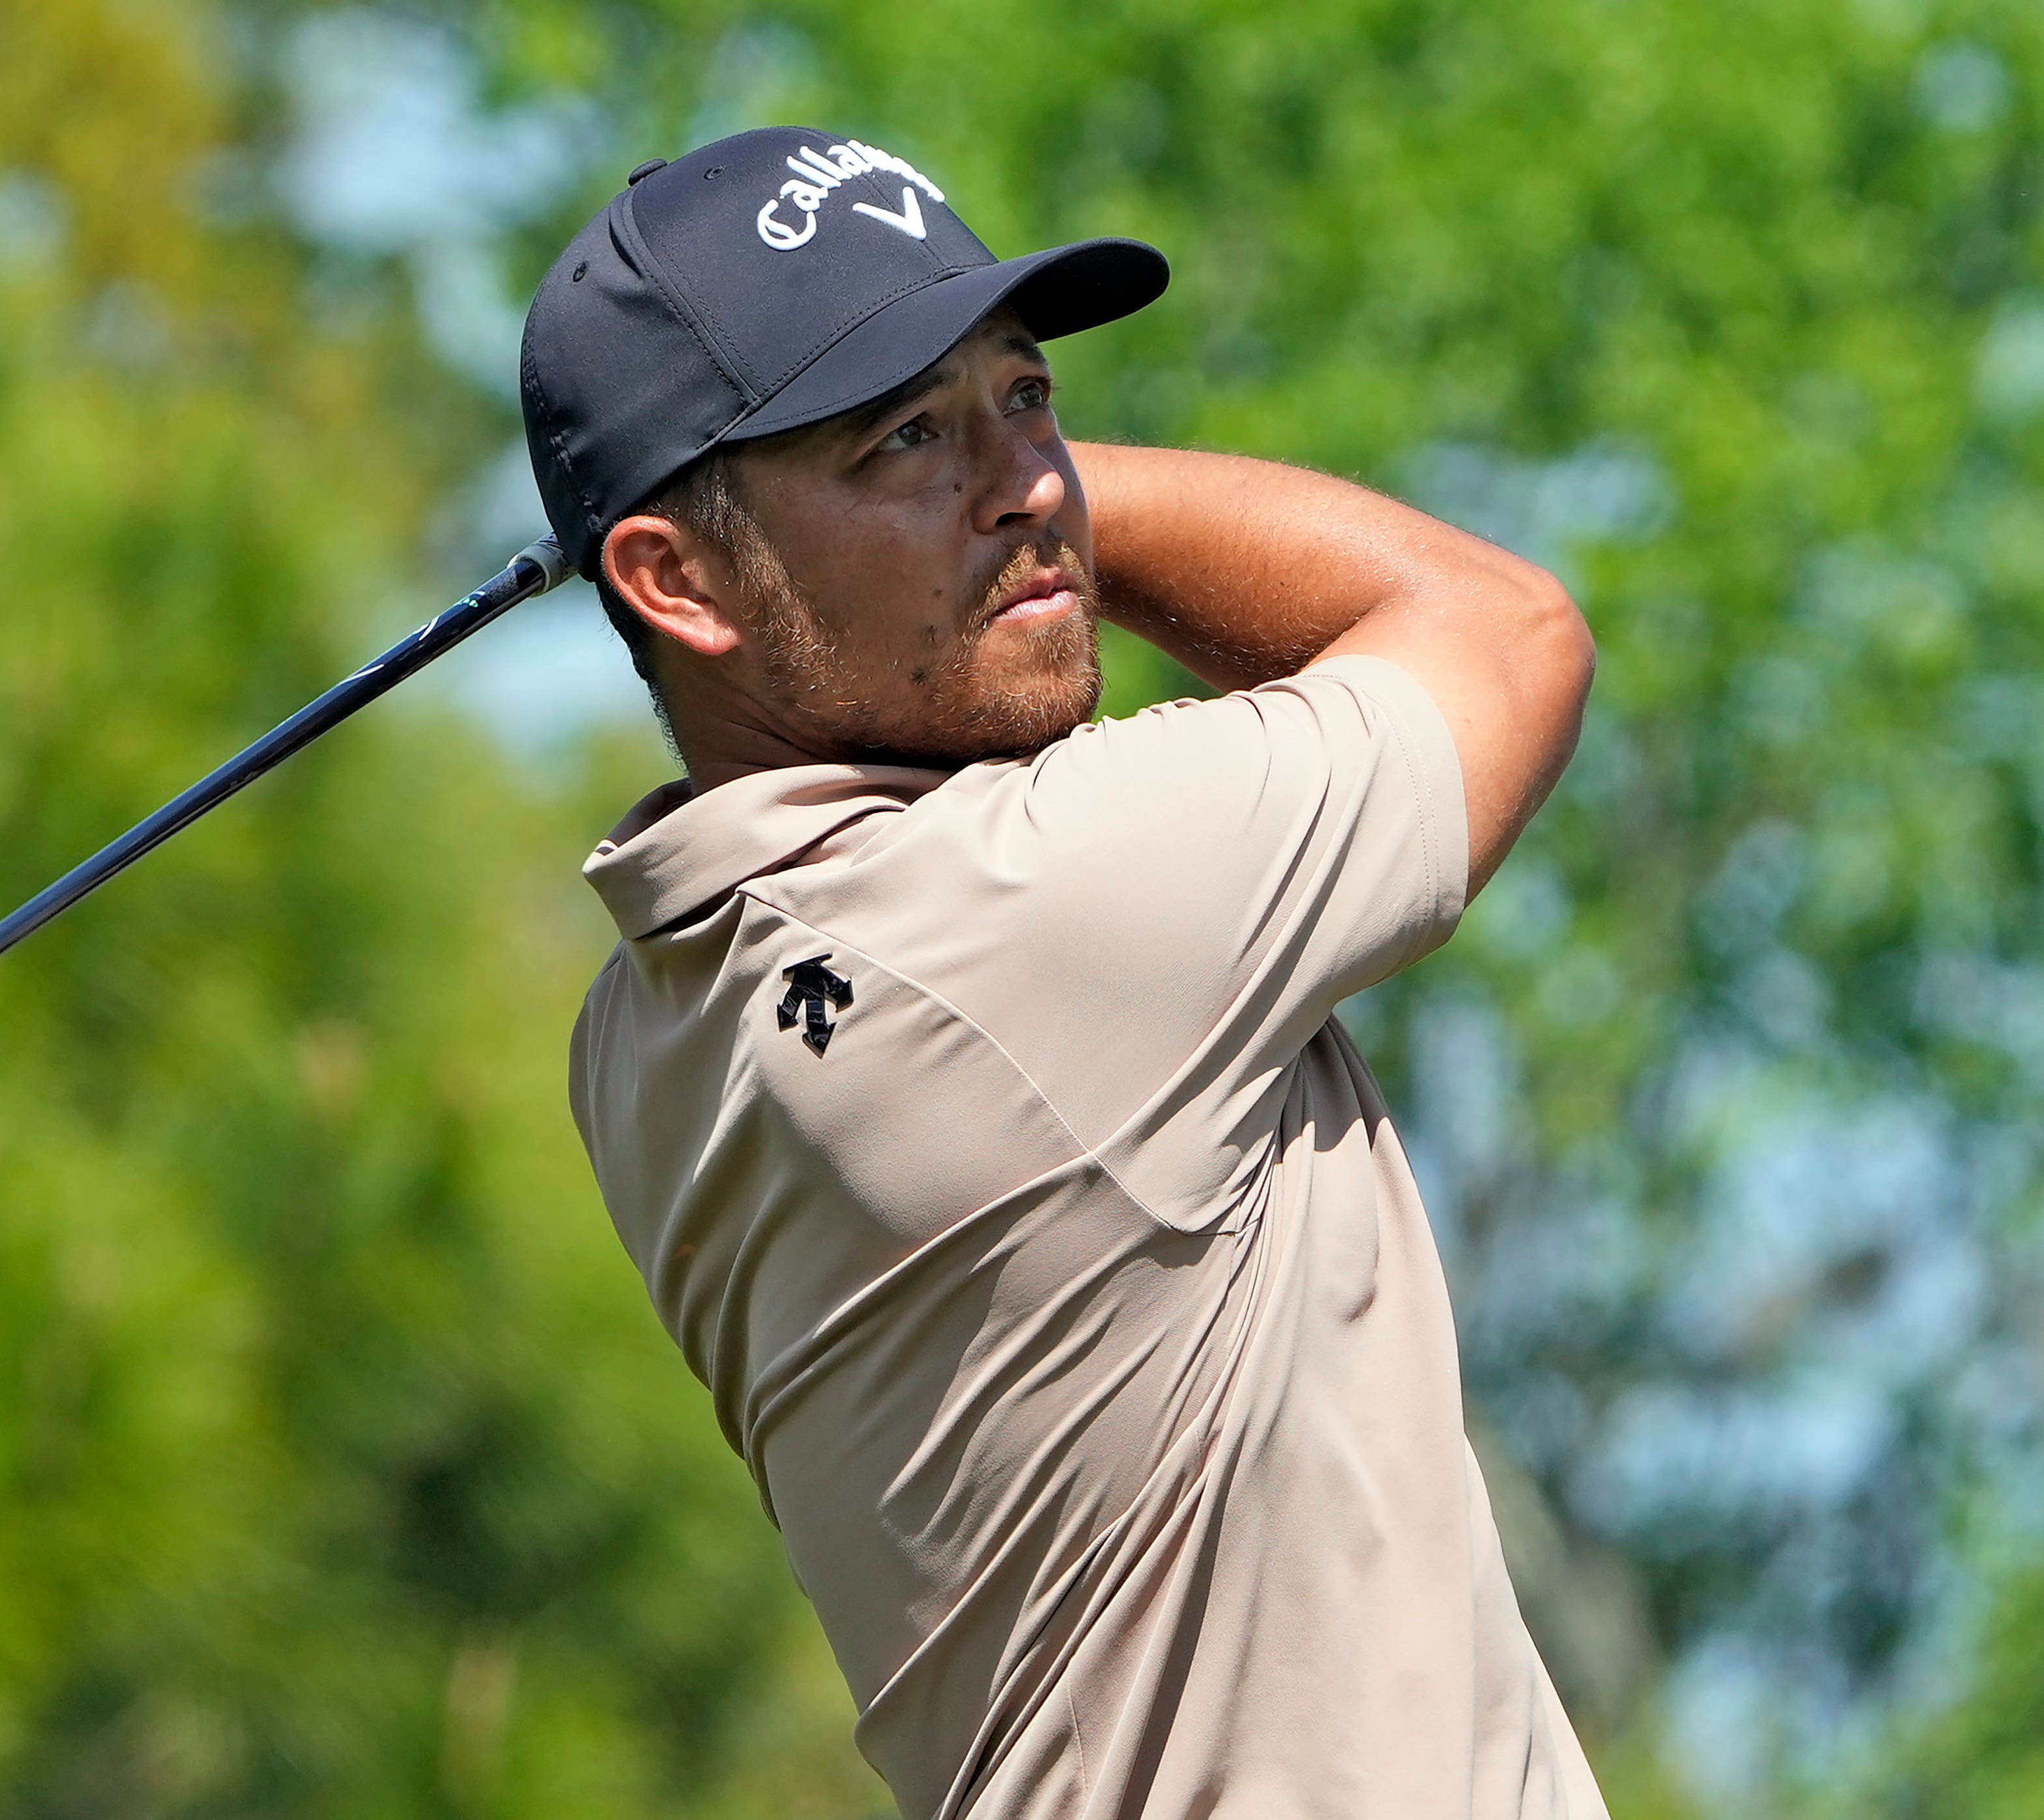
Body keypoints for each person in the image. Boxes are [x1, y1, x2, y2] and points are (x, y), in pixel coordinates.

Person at [519, 127, 1603, 1819]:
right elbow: (1504, 632)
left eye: (1028, 398)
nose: (1031, 478)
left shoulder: (645, 1030)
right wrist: (1045, 519)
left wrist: (960, 497)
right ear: (675, 580)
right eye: (904, 436)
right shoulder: (1028, 907)